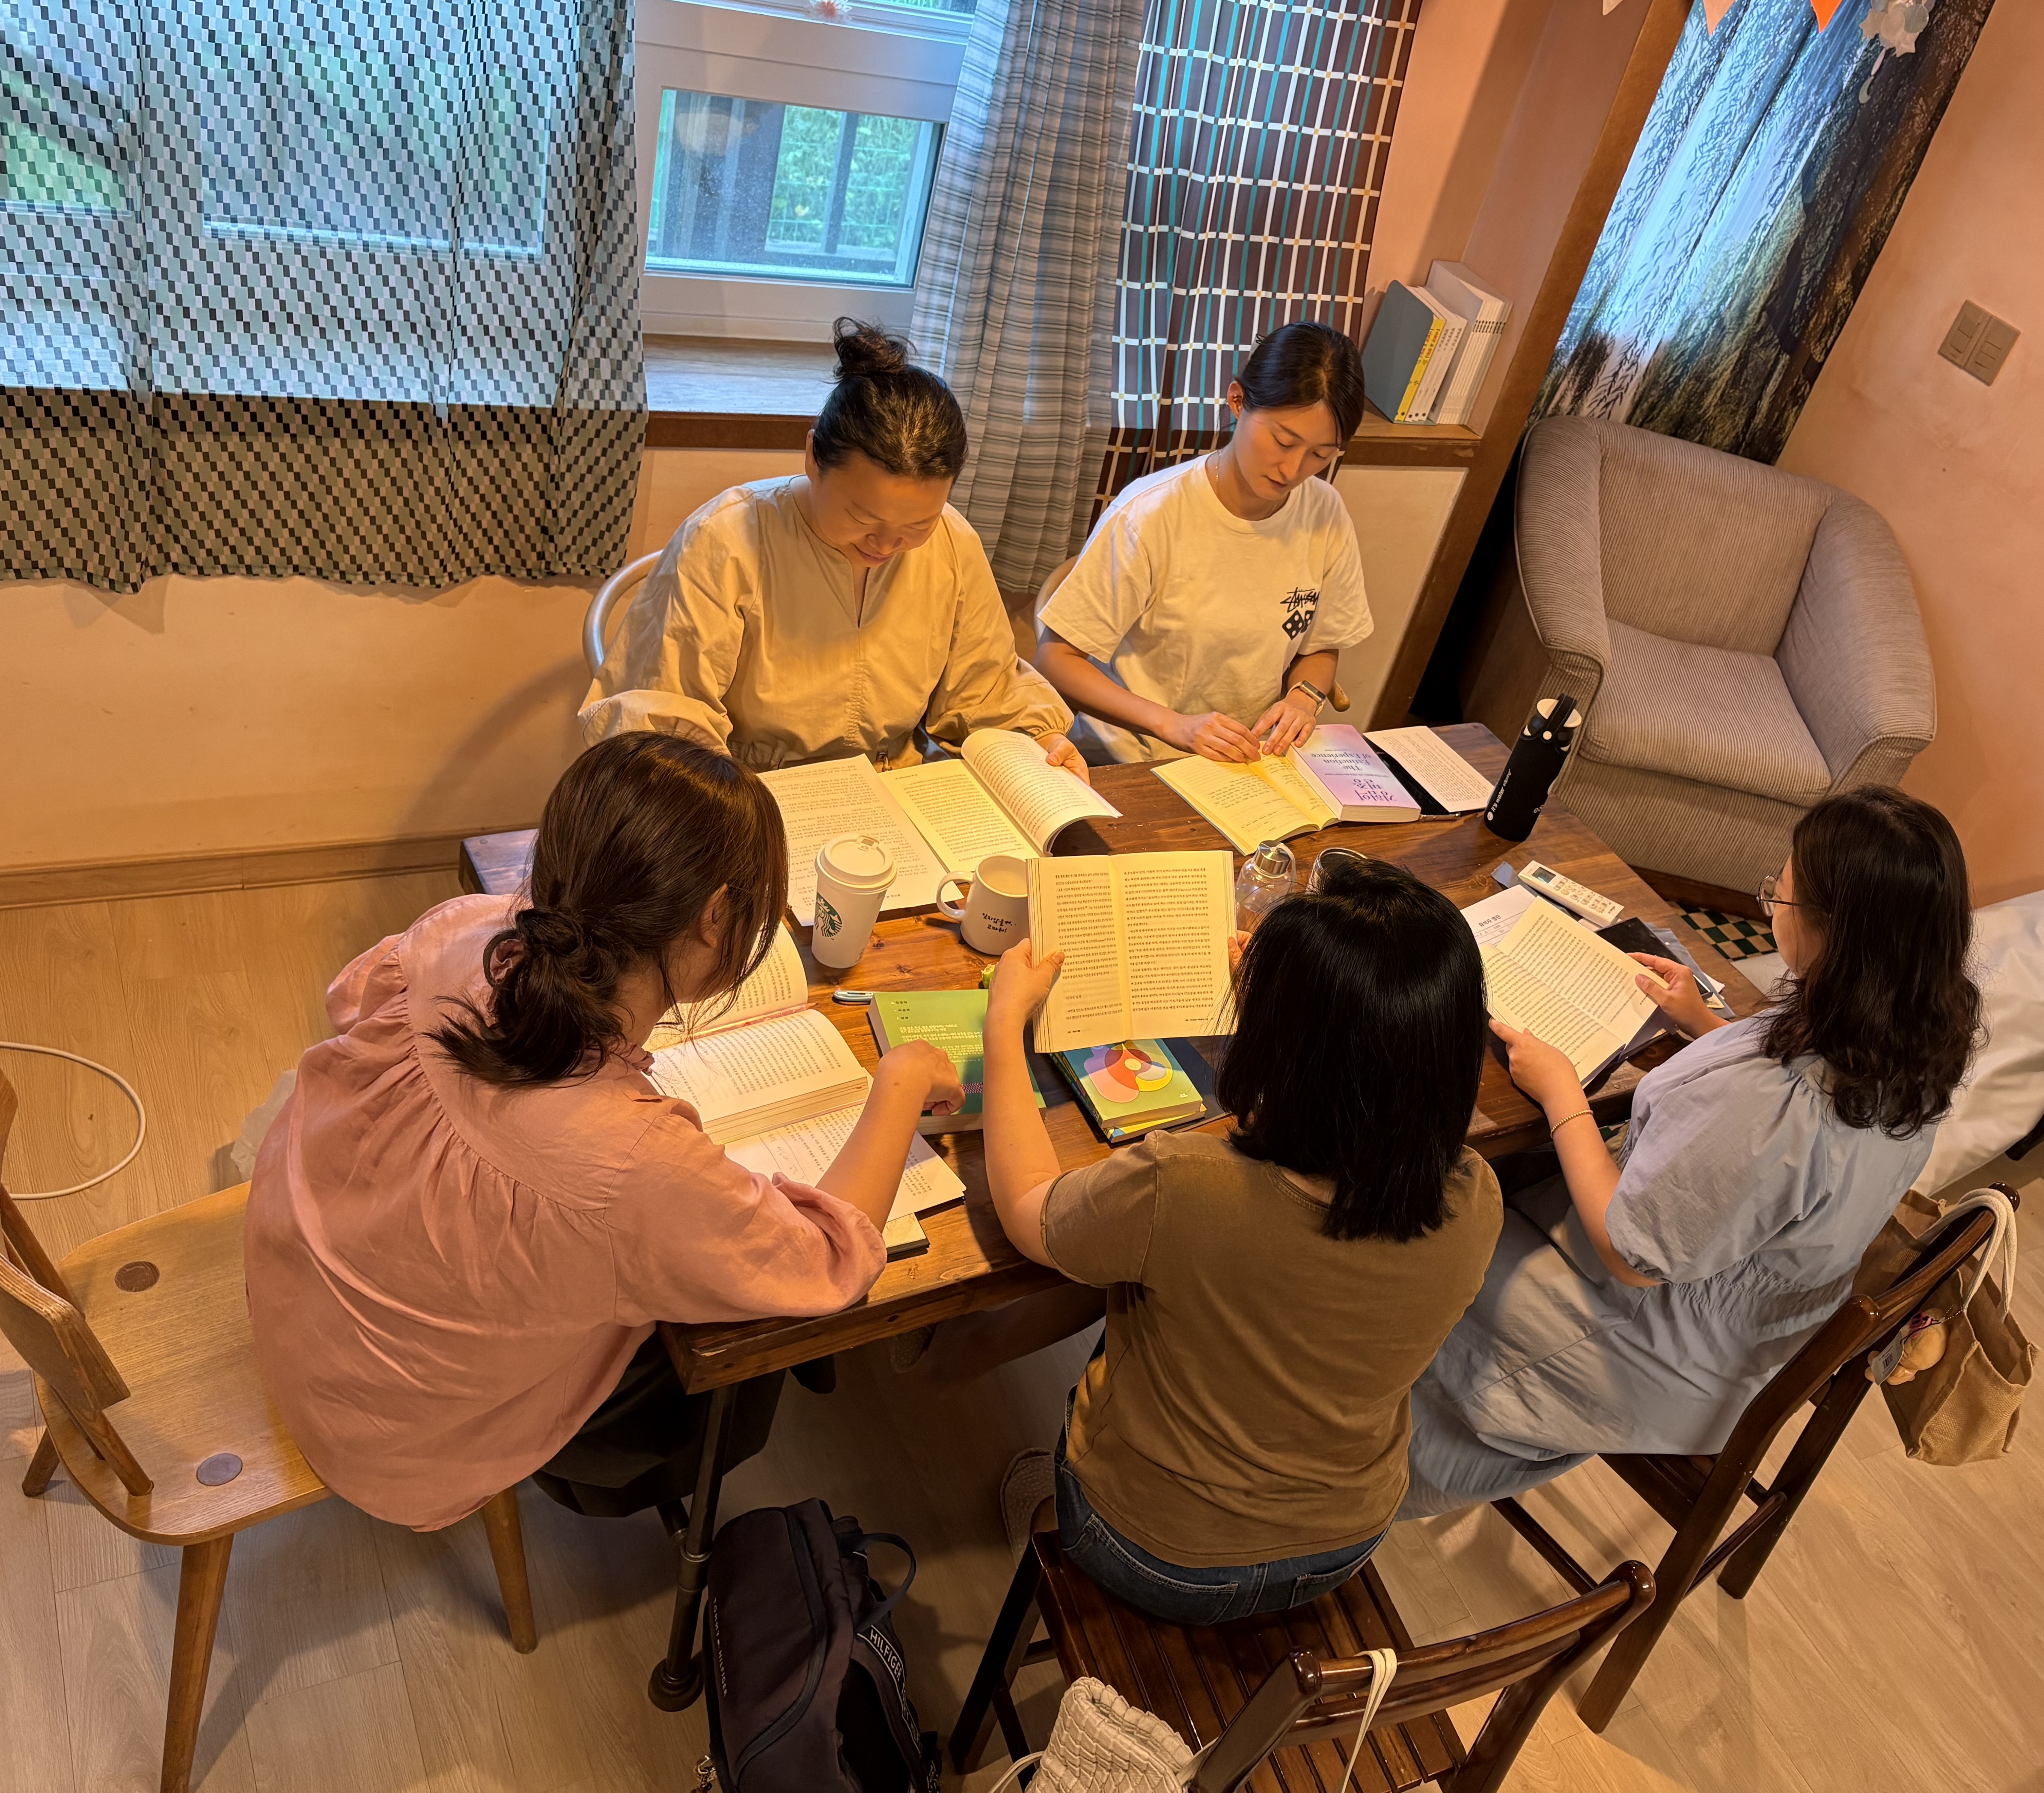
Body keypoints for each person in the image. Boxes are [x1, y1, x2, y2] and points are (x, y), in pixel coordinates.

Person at [243, 732, 962, 1531]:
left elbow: (348, 1008)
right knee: (724, 1346)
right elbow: (825, 1262)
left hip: (289, 1277)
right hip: (388, 1435)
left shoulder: (464, 931)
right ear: (715, 918)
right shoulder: (632, 1161)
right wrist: (899, 1083)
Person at [1401, 786, 1981, 1517]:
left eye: (1781, 895)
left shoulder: (1776, 1108)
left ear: (1838, 934)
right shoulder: (1908, 1044)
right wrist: (1703, 1022)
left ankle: (1353, 1475)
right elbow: (1781, 1146)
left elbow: (1629, 1255)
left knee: (1424, 1237)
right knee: (1489, 1181)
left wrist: (1560, 1090)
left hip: (1651, 1341)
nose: (1771, 905)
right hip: (1744, 1331)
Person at [960, 855, 1502, 1622]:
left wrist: (1003, 1022)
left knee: (1119, 1277)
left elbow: (1027, 1211)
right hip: (1343, 1540)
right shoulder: (1476, 1196)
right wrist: (1290, 999)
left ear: (1280, 1047)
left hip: (1156, 1550)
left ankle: (1049, 1500)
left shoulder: (1184, 1186)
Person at [580, 319, 1087, 781]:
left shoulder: (953, 541)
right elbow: (665, 717)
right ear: (812, 459)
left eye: (918, 524)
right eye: (863, 518)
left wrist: (1040, 742)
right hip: (750, 791)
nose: (886, 544)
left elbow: (986, 691)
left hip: (893, 787)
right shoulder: (725, 540)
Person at [1035, 321, 1374, 764]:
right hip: (1135, 756)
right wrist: (1174, 725)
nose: (1293, 470)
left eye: (1320, 455)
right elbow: (1056, 659)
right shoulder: (1150, 515)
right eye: (1283, 441)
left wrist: (1303, 698)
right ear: (1237, 401)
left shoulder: (1325, 513)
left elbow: (1322, 643)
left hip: (1246, 757)